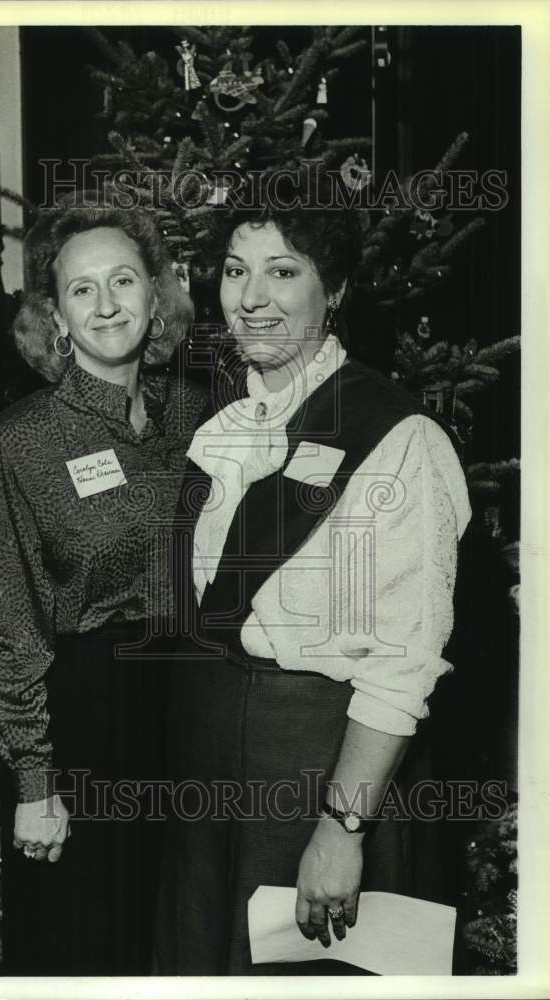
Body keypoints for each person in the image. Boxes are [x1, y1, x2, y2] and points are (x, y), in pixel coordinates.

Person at [154, 195, 472, 975]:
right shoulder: (217, 430)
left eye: (281, 272)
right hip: (213, 770)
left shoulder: (397, 439)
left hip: (324, 766)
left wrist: (341, 830)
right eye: (235, 271)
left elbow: (400, 661)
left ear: (332, 293)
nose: (250, 297)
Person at [0, 194, 207, 975]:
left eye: (124, 281)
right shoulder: (14, 443)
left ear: (156, 297)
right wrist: (35, 780)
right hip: (86, 727)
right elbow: (3, 623)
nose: (106, 305)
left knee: (178, 938)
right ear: (54, 318)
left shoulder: (202, 417)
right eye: (81, 289)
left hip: (194, 711)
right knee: (87, 948)